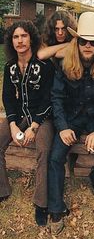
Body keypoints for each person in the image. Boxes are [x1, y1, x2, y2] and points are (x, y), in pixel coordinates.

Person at [48, 11, 94, 235]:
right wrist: (63, 127)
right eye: (84, 41)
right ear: (76, 42)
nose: (88, 46)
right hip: (71, 120)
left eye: (93, 42)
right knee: (56, 156)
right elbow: (56, 98)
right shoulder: (64, 64)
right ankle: (56, 209)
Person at [0, 21, 55, 226]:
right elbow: (7, 97)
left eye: (24, 36)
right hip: (19, 115)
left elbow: (48, 99)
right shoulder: (10, 67)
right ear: (11, 41)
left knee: (43, 151)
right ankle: (2, 189)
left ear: (31, 38)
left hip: (42, 117)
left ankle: (41, 204)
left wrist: (35, 126)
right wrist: (13, 125)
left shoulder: (44, 66)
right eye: (16, 37)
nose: (20, 40)